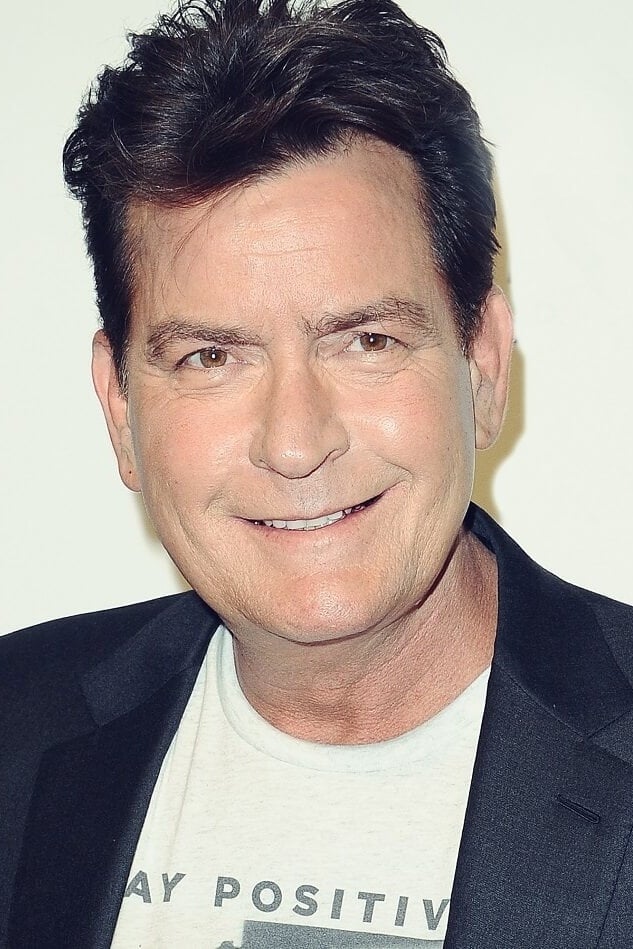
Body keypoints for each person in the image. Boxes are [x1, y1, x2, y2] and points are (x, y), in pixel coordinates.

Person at [1, 0, 632, 946]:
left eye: (366, 340)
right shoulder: (15, 727)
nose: (295, 444)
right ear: (120, 407)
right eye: (211, 357)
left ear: (482, 366)